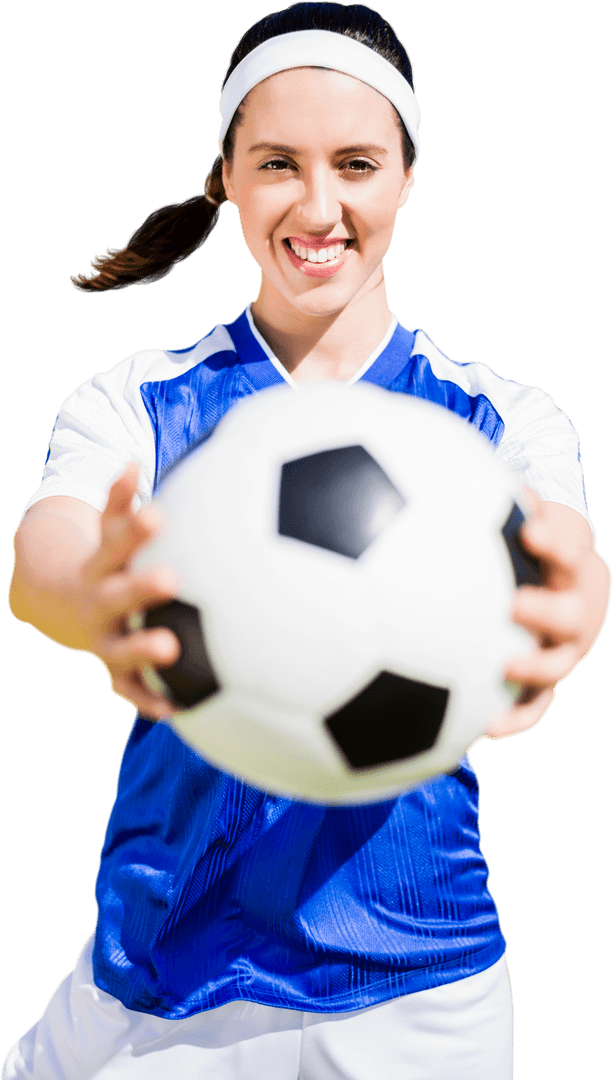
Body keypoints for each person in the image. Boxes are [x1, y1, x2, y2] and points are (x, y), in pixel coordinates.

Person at [4, 2, 610, 1077]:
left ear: (409, 175)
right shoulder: (141, 402)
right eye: (277, 162)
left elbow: (564, 551)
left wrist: (572, 610)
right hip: (162, 976)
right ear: (225, 176)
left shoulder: (496, 420)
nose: (317, 205)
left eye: (358, 163)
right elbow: (41, 558)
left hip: (415, 993)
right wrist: (91, 595)